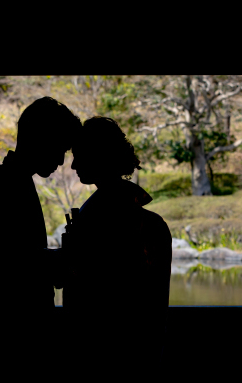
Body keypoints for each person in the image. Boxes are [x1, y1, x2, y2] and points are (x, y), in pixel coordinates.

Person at [0, 97, 80, 313]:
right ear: (42, 141)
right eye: (60, 149)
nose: (62, 161)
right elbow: (6, 267)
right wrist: (62, 260)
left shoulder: (9, 182)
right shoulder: (6, 188)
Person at [63, 116, 171, 353]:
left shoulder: (94, 223)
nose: (72, 166)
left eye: (78, 156)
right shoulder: (153, 224)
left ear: (98, 156)